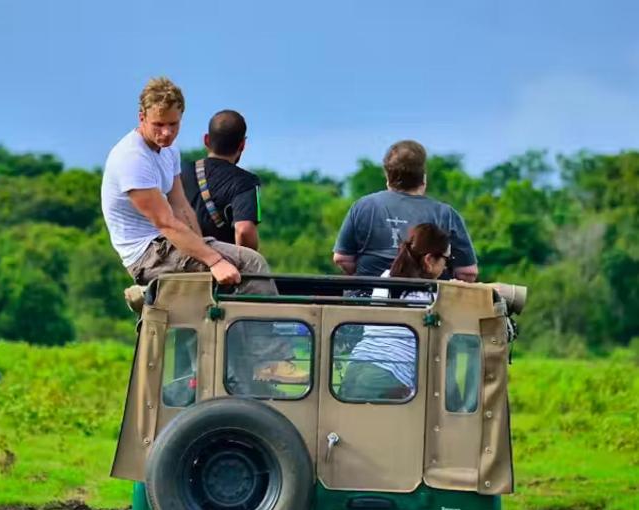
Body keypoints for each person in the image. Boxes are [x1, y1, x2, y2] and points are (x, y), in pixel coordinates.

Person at [100, 77, 304, 386]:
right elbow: (165, 222)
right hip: (148, 254)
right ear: (141, 117)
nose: (167, 132)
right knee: (252, 265)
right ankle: (270, 360)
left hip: (168, 243)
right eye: (159, 124)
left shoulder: (167, 151)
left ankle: (222, 367)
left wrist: (205, 243)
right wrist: (214, 260)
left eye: (174, 124)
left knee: (236, 273)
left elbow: (182, 207)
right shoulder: (132, 158)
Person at [332, 140, 478, 282]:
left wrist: (372, 280)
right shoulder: (446, 215)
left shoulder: (361, 206)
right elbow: (467, 273)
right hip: (426, 303)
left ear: (388, 176)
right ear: (423, 177)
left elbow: (342, 259)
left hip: (366, 299)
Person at [340, 223, 451, 402]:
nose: (446, 267)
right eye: (447, 259)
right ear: (430, 260)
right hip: (389, 376)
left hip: (356, 366)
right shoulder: (429, 293)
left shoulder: (385, 278)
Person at [181, 110, 261, 250]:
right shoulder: (247, 182)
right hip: (221, 266)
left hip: (178, 260)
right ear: (242, 145)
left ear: (206, 140)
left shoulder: (180, 172)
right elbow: (244, 230)